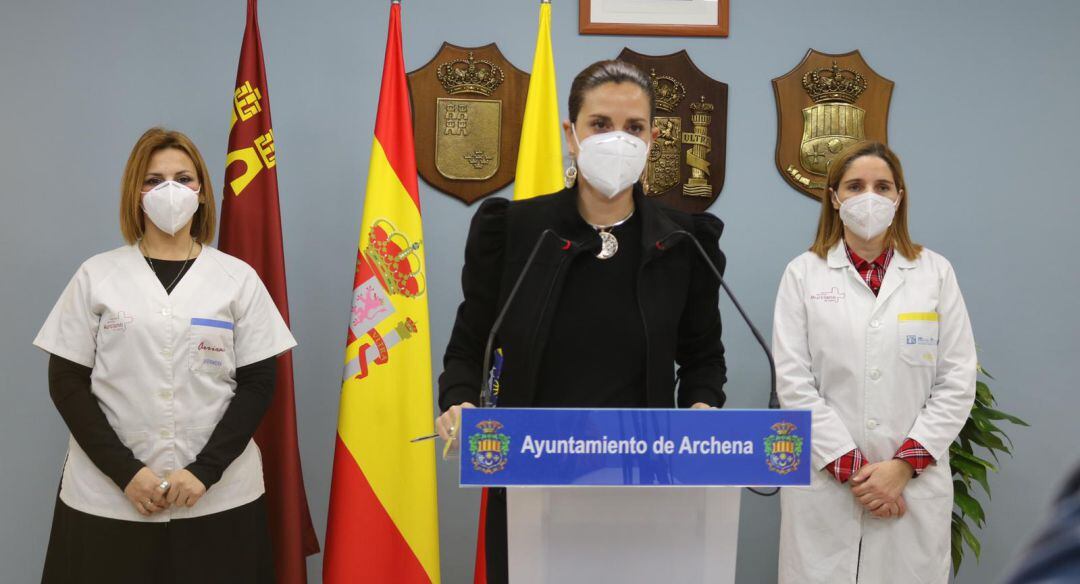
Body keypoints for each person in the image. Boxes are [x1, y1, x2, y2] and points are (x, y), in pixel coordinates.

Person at [434, 59, 728, 583]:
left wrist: (702, 409)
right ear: (572, 135)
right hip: (530, 470)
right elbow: (471, 341)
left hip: (643, 475)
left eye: (634, 128)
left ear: (653, 138)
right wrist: (459, 400)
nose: (618, 139)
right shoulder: (515, 230)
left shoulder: (684, 241)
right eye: (600, 125)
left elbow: (703, 356)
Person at [33, 128, 296, 583]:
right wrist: (126, 473)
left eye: (183, 178)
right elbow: (67, 383)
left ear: (202, 191)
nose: (169, 190)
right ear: (135, 193)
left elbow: (258, 385)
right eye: (153, 180)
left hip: (217, 496)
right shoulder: (97, 275)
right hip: (109, 499)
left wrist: (204, 472)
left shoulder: (238, 278)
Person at [772, 140, 977, 583]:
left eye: (882, 186)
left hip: (912, 485)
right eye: (855, 185)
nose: (870, 197)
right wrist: (858, 474)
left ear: (899, 198)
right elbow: (793, 382)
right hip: (828, 486)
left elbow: (957, 381)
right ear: (834, 197)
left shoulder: (935, 274)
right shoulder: (802, 274)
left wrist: (901, 468)